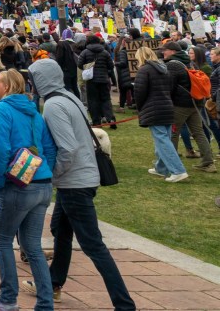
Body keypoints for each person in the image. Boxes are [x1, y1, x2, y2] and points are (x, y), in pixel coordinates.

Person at [29, 60, 136, 310]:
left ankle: (124, 304)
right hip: (80, 178)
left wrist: (53, 174)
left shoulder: (54, 105)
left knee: (93, 245)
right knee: (61, 231)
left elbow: (68, 147)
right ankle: (54, 282)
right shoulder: (69, 96)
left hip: (74, 181)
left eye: (33, 79)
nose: (31, 85)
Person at [0, 69, 54, 311]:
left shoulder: (0, 110)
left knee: (3, 241)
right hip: (42, 182)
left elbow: (0, 150)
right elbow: (48, 148)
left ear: (5, 87)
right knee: (33, 246)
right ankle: (45, 303)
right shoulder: (35, 112)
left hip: (17, 184)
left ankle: (8, 299)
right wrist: (47, 171)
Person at [134, 41, 186, 181]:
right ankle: (161, 168)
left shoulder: (144, 70)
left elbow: (139, 92)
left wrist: (140, 108)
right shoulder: (164, 68)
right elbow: (171, 88)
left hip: (154, 108)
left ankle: (178, 170)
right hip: (167, 106)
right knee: (164, 139)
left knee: (162, 140)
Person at [161, 39, 216, 173]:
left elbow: (170, 86)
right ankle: (209, 163)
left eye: (165, 50)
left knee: (173, 133)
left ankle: (171, 164)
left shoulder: (173, 65)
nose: (163, 53)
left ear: (173, 51)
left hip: (180, 104)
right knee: (199, 132)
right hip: (195, 102)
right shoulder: (189, 62)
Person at [79, 35, 117, 129]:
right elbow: (111, 66)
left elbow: (80, 64)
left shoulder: (85, 52)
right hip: (104, 79)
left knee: (93, 101)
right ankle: (111, 119)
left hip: (91, 80)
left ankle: (96, 122)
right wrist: (105, 72)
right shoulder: (104, 52)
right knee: (106, 99)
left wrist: (87, 68)